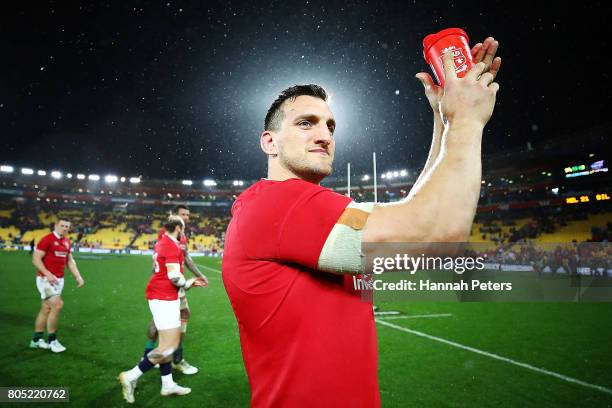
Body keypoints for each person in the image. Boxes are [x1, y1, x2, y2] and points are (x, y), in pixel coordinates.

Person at [222, 37, 502, 407]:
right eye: (306, 123)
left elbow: (414, 212)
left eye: (330, 126)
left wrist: (445, 121)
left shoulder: (297, 209)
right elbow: (437, 234)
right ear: (269, 143)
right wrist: (467, 118)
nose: (324, 136)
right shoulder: (280, 203)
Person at [118, 215, 207, 403]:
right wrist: (190, 283)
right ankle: (131, 375)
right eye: (183, 228)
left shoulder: (162, 242)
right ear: (178, 229)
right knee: (169, 347)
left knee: (166, 345)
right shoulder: (171, 245)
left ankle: (167, 384)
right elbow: (175, 277)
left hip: (163, 297)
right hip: (163, 297)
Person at [142, 204, 209, 375]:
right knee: (169, 321)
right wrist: (187, 281)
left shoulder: (181, 236)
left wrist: (199, 274)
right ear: (175, 218)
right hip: (170, 285)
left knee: (175, 317)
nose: (187, 217)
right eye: (183, 215)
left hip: (170, 285)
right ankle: (175, 358)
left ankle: (156, 357)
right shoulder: (168, 236)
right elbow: (162, 259)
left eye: (188, 214)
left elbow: (185, 259)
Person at [30, 218, 85, 353]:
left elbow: (70, 261)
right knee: (57, 305)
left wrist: (78, 276)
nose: (65, 228)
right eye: (62, 226)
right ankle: (52, 341)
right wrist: (47, 273)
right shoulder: (47, 239)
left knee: (46, 309)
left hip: (58, 281)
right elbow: (35, 259)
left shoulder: (66, 241)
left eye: (67, 226)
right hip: (45, 280)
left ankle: (36, 340)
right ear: (56, 226)